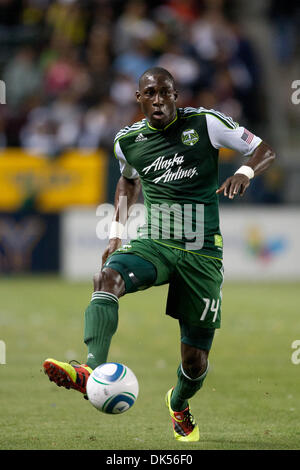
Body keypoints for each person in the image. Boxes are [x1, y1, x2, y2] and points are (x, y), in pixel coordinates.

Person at [43, 67, 275, 442]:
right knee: (107, 278)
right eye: (150, 93)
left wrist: (246, 171)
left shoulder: (205, 123)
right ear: (139, 99)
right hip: (156, 242)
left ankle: (179, 403)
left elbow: (264, 148)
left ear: (175, 95)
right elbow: (128, 180)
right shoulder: (128, 141)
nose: (158, 100)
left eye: (165, 92)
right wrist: (116, 234)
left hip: (202, 253)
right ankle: (90, 370)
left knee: (194, 362)